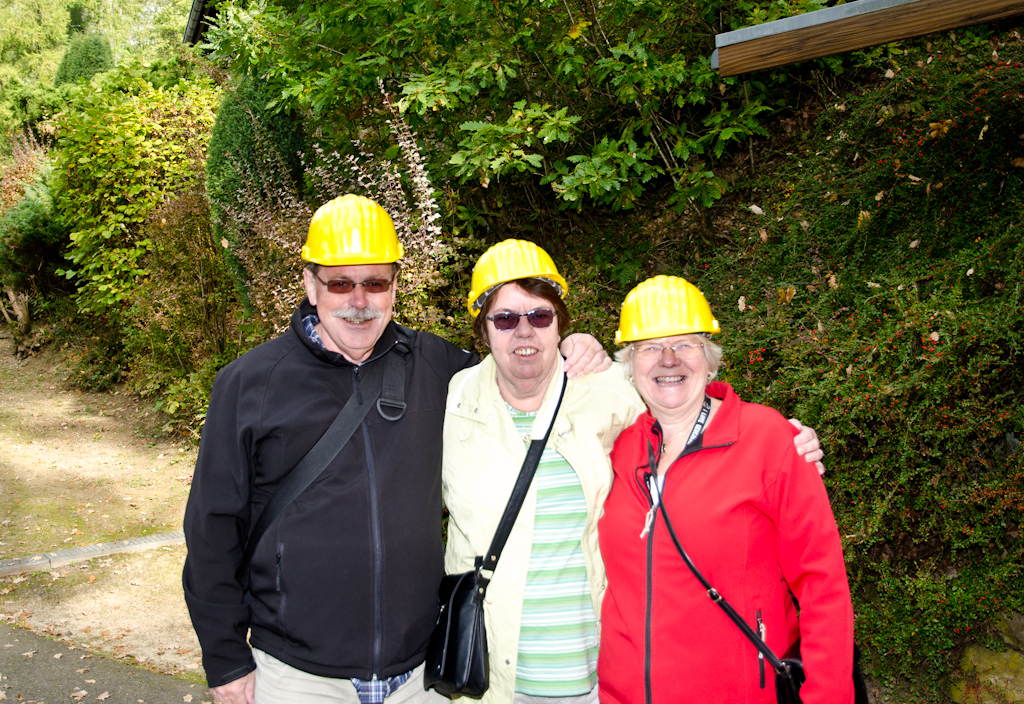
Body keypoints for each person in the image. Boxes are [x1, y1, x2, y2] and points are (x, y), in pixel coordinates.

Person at [182, 196, 609, 704]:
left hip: (417, 677)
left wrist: (576, 344)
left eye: (375, 283)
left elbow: (520, 361)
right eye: (340, 282)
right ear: (310, 284)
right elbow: (211, 532)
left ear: (394, 288)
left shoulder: (437, 367)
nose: (358, 300)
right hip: (298, 677)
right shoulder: (250, 383)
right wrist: (225, 659)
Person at [442, 244, 827, 704]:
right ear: (483, 329)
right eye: (504, 318)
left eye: (541, 317)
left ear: (560, 322)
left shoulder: (606, 393)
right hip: (488, 678)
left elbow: (685, 401)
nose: (523, 330)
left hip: (597, 680)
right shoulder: (454, 397)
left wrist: (785, 440)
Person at [597, 275, 855, 704]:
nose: (667, 359)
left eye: (684, 344)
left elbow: (823, 585)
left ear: (710, 357)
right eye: (648, 347)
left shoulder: (768, 439)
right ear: (629, 365)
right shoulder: (619, 449)